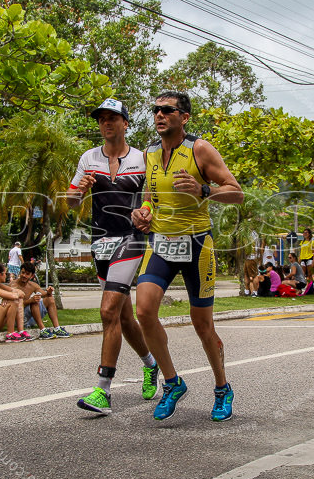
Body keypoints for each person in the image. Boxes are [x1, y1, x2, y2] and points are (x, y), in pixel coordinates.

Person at [131, 90, 244, 422]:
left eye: (168, 110)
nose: (159, 115)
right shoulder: (150, 153)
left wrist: (204, 189)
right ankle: (172, 382)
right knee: (144, 311)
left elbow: (236, 192)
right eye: (156, 110)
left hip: (197, 246)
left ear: (184, 117)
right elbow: (150, 196)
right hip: (161, 243)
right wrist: (144, 212)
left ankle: (222, 388)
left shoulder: (200, 149)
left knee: (203, 325)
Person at [68, 97, 158, 415]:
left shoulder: (143, 159)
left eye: (112, 118)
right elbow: (71, 202)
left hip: (131, 240)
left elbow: (151, 197)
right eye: (102, 119)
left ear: (125, 123)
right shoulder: (88, 158)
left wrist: (145, 211)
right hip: (101, 243)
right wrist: (80, 190)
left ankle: (102, 391)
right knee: (122, 317)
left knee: (107, 311)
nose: (106, 123)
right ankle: (151, 364)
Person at [13, 262, 70, 340]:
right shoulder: (13, 285)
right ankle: (43, 330)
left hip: (31, 319)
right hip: (19, 319)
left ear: (32, 276)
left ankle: (57, 328)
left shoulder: (32, 285)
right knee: (34, 301)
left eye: (27, 274)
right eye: (22, 273)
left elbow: (44, 294)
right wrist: (30, 301)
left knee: (49, 299)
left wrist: (49, 292)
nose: (24, 276)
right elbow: (12, 306)